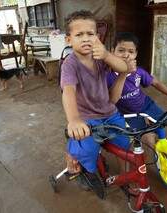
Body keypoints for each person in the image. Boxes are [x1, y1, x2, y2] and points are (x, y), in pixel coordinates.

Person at [60, 11, 134, 177]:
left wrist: (107, 55)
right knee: (88, 152)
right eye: (79, 34)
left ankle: (125, 174)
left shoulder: (100, 56)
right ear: (69, 40)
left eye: (90, 34)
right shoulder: (69, 65)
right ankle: (85, 169)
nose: (86, 38)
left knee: (124, 143)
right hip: (86, 117)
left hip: (109, 113)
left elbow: (124, 68)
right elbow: (68, 91)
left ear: (98, 37)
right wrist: (73, 120)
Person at [107, 32, 167, 147]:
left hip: (145, 104)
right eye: (121, 50)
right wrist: (124, 72)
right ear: (112, 51)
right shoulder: (107, 76)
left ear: (136, 54)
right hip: (128, 114)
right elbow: (112, 100)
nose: (126, 55)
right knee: (148, 139)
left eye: (131, 52)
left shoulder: (139, 72)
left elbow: (156, 83)